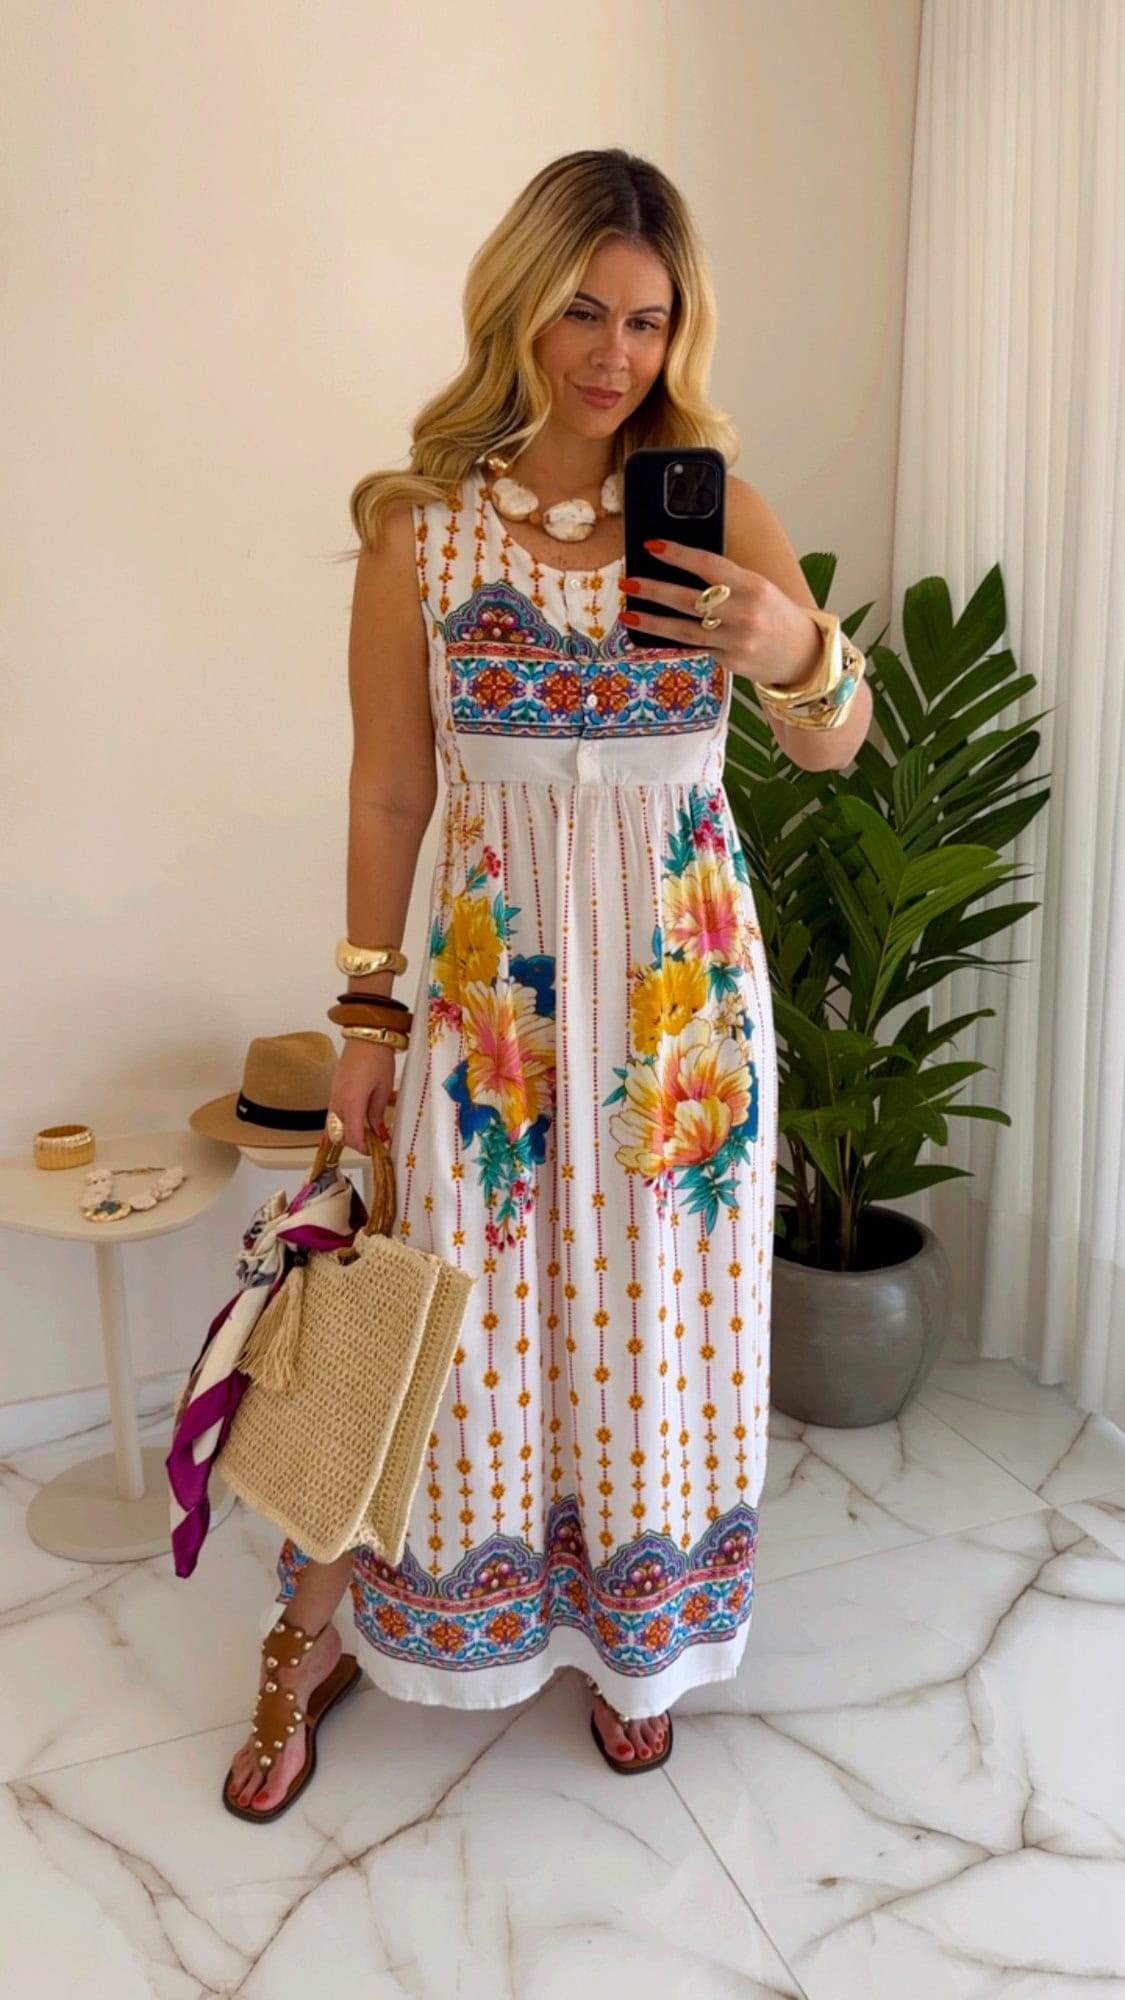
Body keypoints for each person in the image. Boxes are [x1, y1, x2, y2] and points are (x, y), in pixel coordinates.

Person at [224, 146, 872, 1820]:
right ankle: (320, 1633)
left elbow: (832, 739)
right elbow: (389, 792)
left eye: (647, 321)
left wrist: (790, 650)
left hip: (681, 1011)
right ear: (517, 304)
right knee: (455, 1319)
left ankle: (634, 1638)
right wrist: (365, 1016)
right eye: (583, 310)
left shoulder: (714, 508)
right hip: (492, 1012)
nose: (613, 353)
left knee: (658, 1315)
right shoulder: (418, 528)